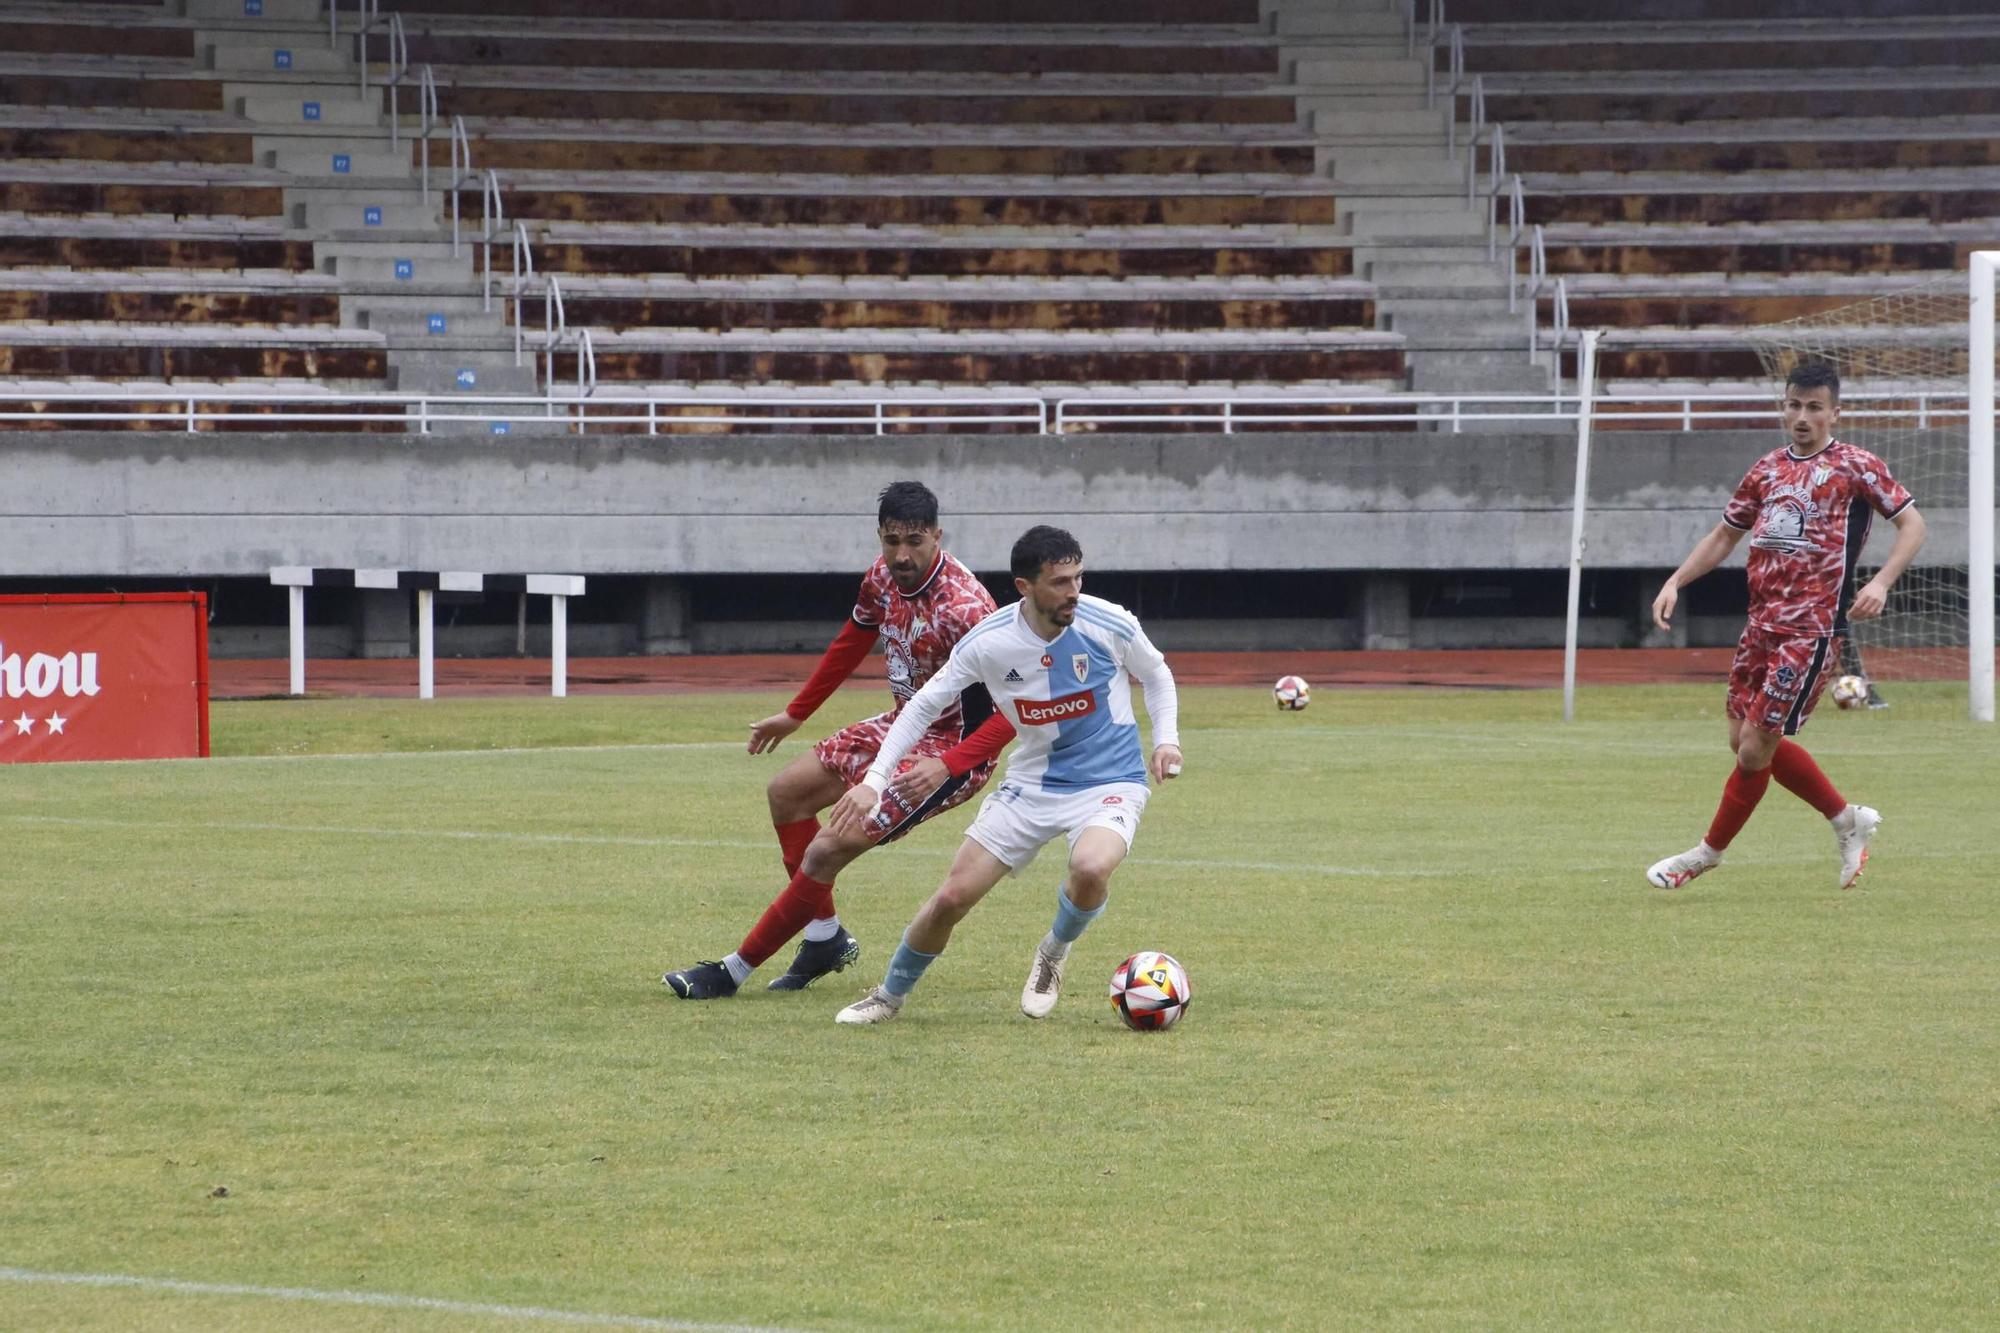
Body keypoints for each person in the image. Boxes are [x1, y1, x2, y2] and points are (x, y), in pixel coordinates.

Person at [664, 481, 1015, 998]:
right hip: (903, 723)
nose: (902, 554)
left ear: (938, 536)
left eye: (915, 541)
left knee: (826, 849)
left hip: (950, 752)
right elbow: (854, 638)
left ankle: (732, 971)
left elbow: (1012, 714)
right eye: (891, 540)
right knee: (786, 793)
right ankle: (825, 938)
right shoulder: (881, 577)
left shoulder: (966, 610)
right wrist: (795, 713)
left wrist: (948, 766)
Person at [824, 525, 1183, 1025]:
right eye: (1060, 582)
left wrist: (1167, 738)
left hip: (1111, 782)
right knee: (952, 897)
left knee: (1090, 867)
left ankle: (1053, 952)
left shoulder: (1109, 622)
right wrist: (875, 779)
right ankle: (889, 995)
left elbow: (1158, 673)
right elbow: (924, 705)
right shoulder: (989, 641)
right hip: (1031, 785)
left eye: (1078, 577)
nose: (1073, 591)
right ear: (1025, 587)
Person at [1645, 360, 1926, 891]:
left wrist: (1882, 582)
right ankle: (1847, 820)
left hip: (1812, 631)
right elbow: (1725, 536)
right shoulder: (1768, 468)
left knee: (1755, 750)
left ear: (1834, 413)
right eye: (1794, 405)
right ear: (1784, 407)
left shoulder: (1855, 466)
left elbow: (1912, 523)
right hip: (1761, 626)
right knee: (1742, 741)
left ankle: (1705, 855)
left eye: (1814, 407)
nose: (1802, 416)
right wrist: (1676, 581)